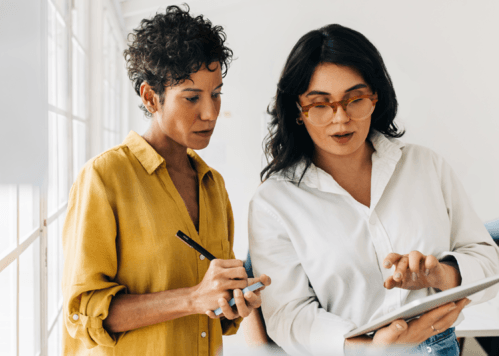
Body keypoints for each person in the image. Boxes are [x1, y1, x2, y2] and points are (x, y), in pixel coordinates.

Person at [247, 24, 499, 355]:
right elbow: (288, 317)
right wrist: (370, 349)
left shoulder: (425, 166)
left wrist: (439, 273)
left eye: (355, 99)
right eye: (320, 104)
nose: (341, 118)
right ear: (298, 110)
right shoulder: (274, 202)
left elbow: (488, 260)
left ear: (375, 97)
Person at [61, 5, 270, 356]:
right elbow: (83, 314)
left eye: (216, 93)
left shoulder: (212, 185)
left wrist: (233, 301)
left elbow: (214, 310)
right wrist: (192, 298)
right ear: (149, 97)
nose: (210, 113)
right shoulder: (103, 178)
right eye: (191, 98)